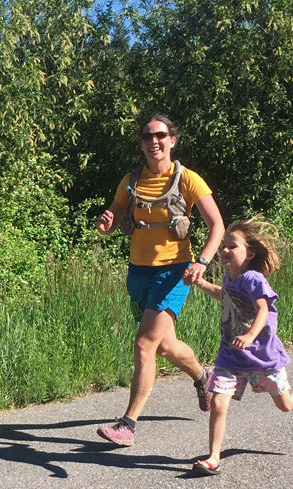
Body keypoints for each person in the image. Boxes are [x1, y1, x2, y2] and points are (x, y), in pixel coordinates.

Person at [94, 113, 225, 447]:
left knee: (143, 344)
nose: (154, 142)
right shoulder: (130, 180)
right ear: (142, 143)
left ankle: (128, 425)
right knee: (164, 346)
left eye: (160, 136)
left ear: (172, 140)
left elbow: (217, 227)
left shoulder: (188, 179)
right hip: (138, 272)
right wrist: (106, 224)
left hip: (174, 272)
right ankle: (203, 376)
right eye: (147, 137)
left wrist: (202, 262)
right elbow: (112, 221)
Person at [185, 217, 293, 475]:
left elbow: (263, 308)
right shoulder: (229, 278)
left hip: (262, 357)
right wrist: (202, 284)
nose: (225, 250)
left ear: (249, 253)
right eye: (224, 245)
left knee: (283, 404)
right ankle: (213, 458)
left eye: (232, 246)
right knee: (218, 404)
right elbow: (225, 295)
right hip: (231, 357)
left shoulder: (253, 279)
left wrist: (250, 335)